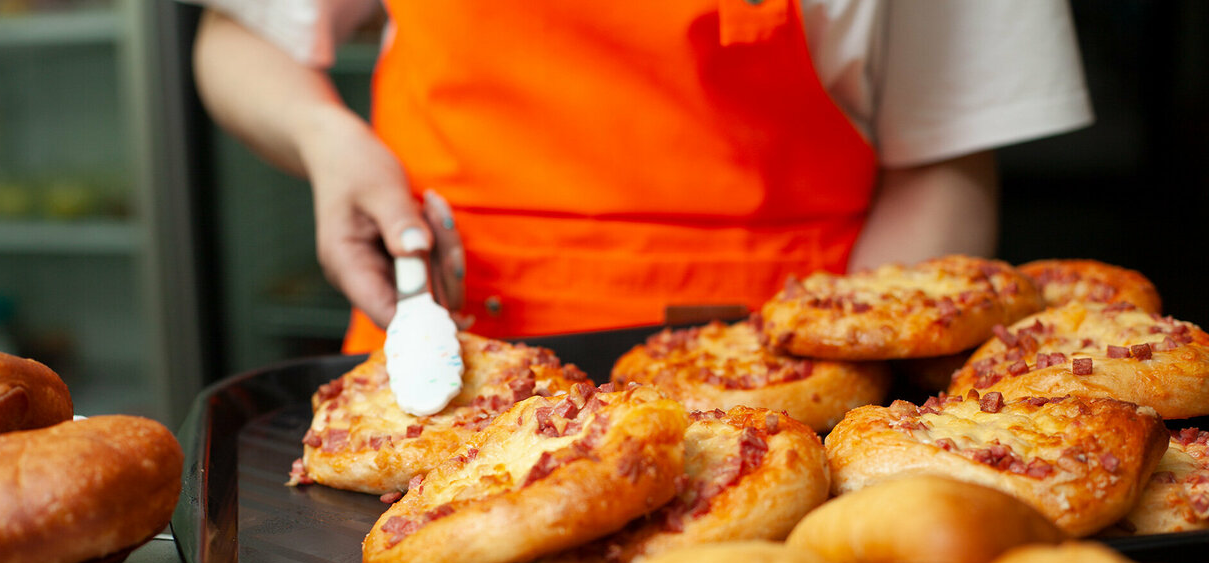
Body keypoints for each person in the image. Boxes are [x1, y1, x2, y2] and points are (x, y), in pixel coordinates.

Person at [188, 0, 1093, 354]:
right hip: (442, 362)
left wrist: (843, 371)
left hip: (795, 374)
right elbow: (238, 34)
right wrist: (322, 136)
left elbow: (947, 153)